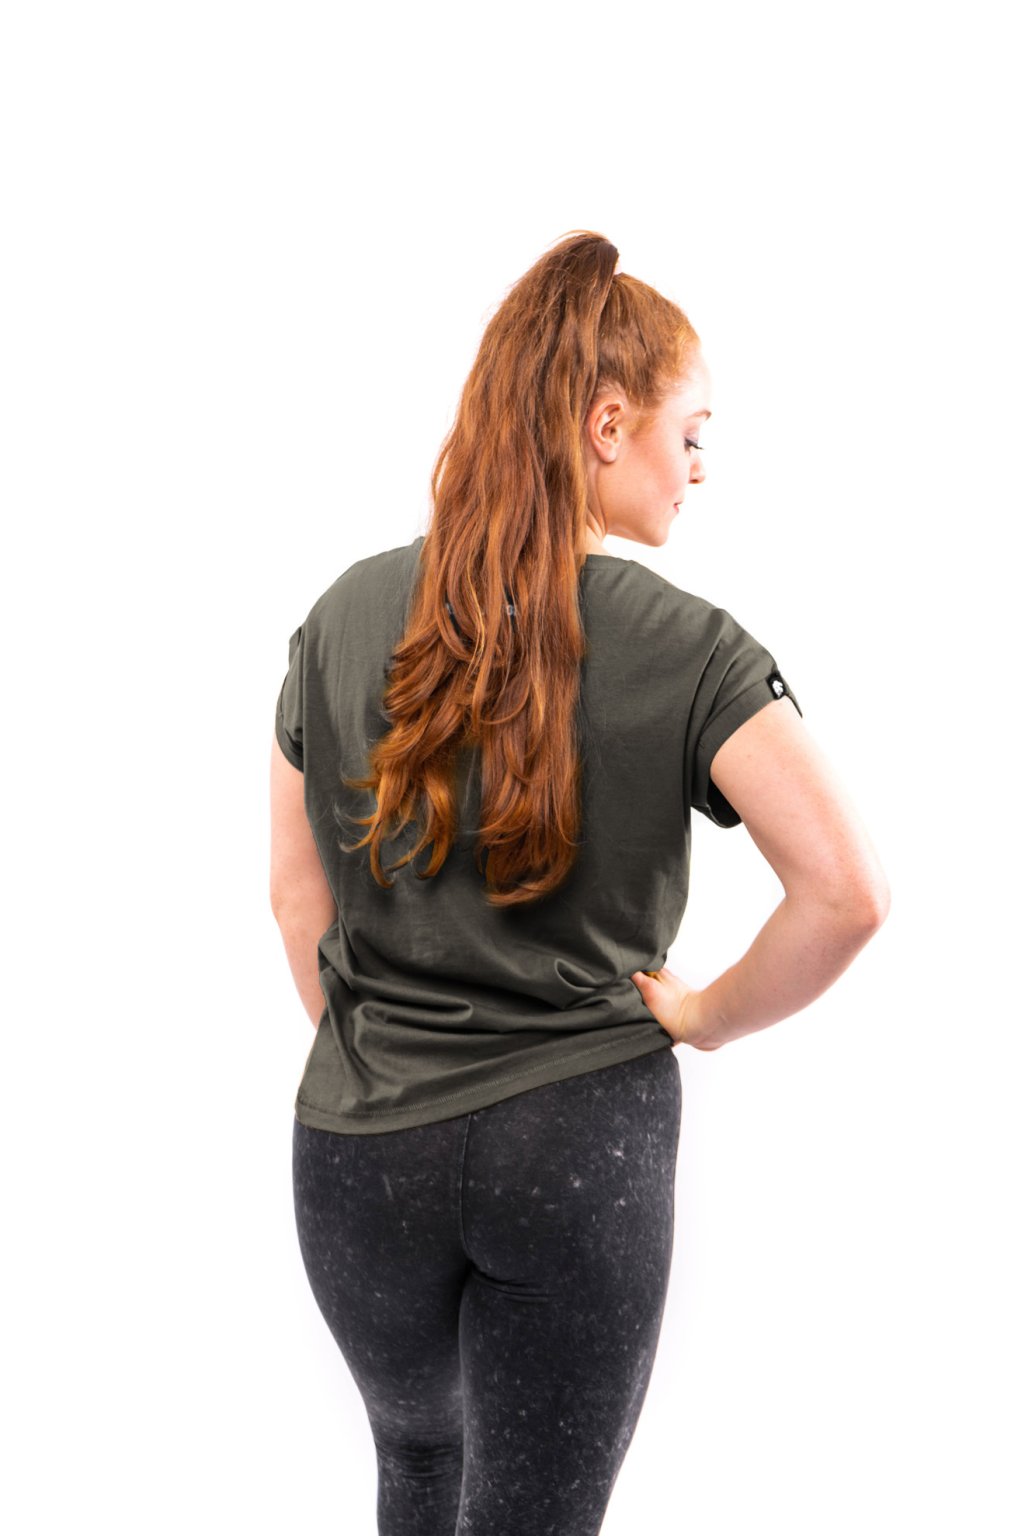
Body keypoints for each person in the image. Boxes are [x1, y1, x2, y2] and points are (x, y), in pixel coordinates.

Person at [269, 230, 890, 1536]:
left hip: (356, 1164)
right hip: (573, 1150)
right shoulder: (688, 646)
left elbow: (293, 897)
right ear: (609, 424)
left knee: (417, 1471)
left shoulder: (341, 614)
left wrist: (378, 1056)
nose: (701, 467)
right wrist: (705, 1015)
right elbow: (846, 890)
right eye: (691, 434)